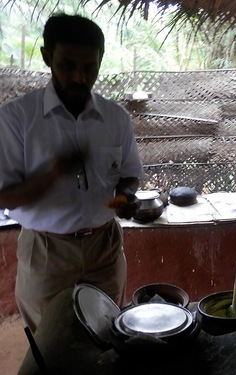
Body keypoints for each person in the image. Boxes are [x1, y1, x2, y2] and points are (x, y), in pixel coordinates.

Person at [0, 14, 143, 332]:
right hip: (47, 252)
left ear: (100, 62)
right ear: (47, 56)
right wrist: (52, 175)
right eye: (67, 65)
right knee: (52, 345)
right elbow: (4, 196)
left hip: (104, 247)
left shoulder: (115, 118)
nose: (79, 77)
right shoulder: (16, 119)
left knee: (108, 336)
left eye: (89, 68)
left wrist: (127, 196)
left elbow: (130, 174)